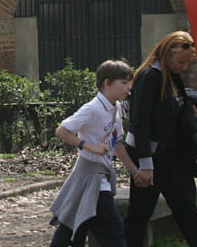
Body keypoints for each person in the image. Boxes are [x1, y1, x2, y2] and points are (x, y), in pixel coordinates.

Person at [123, 31, 197, 247]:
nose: (184, 68)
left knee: (187, 211)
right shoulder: (149, 77)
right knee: (138, 216)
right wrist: (146, 164)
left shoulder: (172, 78)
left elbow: (170, 112)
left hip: (174, 157)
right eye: (181, 62)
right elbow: (139, 123)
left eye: (188, 63)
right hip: (151, 157)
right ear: (167, 54)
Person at [48, 60, 138, 247]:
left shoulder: (115, 108)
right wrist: (88, 145)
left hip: (101, 175)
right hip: (90, 176)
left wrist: (135, 172)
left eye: (129, 82)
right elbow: (62, 130)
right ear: (108, 83)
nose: (129, 88)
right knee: (111, 231)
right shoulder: (93, 109)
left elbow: (117, 144)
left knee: (74, 227)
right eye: (124, 82)